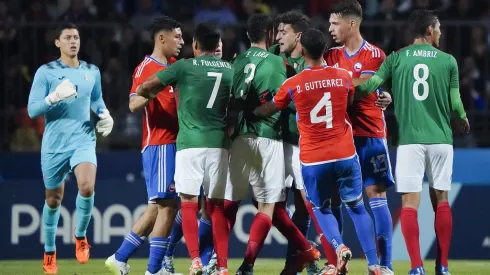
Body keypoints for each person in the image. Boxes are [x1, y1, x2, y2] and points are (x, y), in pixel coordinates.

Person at [254, 27, 382, 275]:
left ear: (302, 49)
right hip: (345, 153)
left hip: (314, 159)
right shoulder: (344, 76)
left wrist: (253, 110)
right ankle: (374, 265)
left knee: (322, 209)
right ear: (325, 50)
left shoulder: (293, 83)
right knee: (357, 208)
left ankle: (338, 247)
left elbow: (271, 109)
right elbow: (349, 102)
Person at [355, 9, 469, 275]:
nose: (440, 32)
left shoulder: (396, 58)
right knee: (441, 199)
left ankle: (417, 267)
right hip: (441, 140)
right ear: (429, 29)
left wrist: (341, 85)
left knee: (409, 205)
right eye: (438, 28)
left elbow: (369, 86)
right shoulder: (448, 61)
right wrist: (462, 117)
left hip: (409, 142)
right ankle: (442, 266)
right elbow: (455, 102)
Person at [136, 23, 234, 275]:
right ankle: (222, 265)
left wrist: (143, 90)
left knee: (188, 204)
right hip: (219, 145)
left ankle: (195, 261)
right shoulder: (229, 70)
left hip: (189, 144)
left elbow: (147, 86)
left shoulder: (183, 66)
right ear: (217, 47)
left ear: (196, 46)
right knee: (215, 208)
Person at [226, 13, 320, 275]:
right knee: (269, 206)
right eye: (276, 32)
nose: (278, 37)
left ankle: (307, 258)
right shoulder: (277, 59)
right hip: (274, 139)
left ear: (298, 36)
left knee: (303, 204)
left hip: (299, 142)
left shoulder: (312, 59)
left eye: (283, 32)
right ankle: (306, 255)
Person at [27, 22, 114, 275]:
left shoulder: (92, 71)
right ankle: (50, 251)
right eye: (67, 38)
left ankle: (81, 236)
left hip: (83, 138)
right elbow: (33, 110)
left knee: (87, 186)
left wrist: (104, 113)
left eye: (76, 37)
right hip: (54, 144)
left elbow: (96, 99)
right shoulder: (46, 72)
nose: (73, 41)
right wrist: (53, 97)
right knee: (53, 200)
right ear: (57, 42)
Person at [104, 16, 184, 275]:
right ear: (162, 38)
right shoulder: (146, 68)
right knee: (168, 206)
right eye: (178, 37)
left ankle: (119, 258)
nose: (182, 42)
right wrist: (156, 86)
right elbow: (132, 104)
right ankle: (154, 269)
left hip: (175, 143)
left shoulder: (175, 65)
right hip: (159, 144)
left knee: (156, 209)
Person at [324, 1, 395, 273]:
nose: (330, 29)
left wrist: (334, 82)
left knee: (375, 197)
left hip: (369, 135)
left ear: (352, 23)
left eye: (335, 23)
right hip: (340, 138)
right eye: (329, 24)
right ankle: (337, 264)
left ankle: (384, 266)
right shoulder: (330, 55)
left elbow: (361, 89)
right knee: (333, 199)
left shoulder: (374, 54)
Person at [164, 39, 224, 275]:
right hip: (199, 142)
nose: (218, 48)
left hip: (204, 144)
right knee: (195, 205)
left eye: (220, 45)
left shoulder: (222, 70)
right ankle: (171, 252)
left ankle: (204, 259)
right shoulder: (189, 67)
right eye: (215, 45)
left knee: (206, 208)